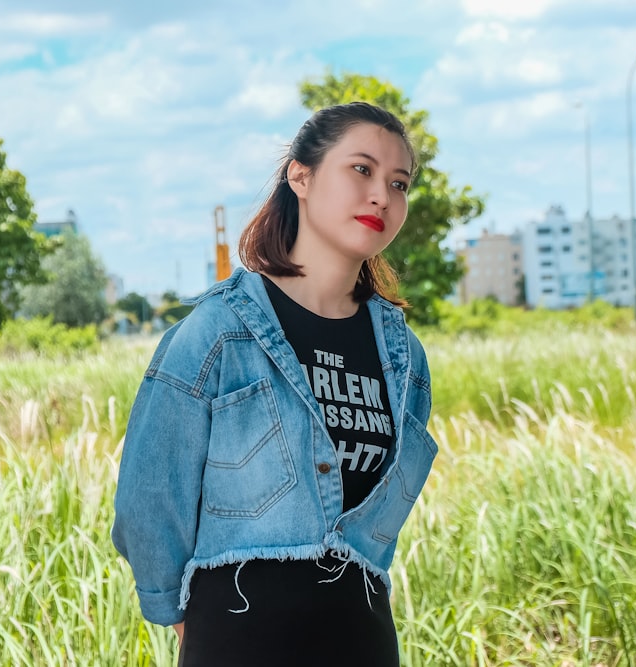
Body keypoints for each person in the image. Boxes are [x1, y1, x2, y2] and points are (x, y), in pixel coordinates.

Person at [111, 101, 438, 666]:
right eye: (361, 170)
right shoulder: (218, 332)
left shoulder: (404, 355)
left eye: (399, 183)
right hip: (240, 637)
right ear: (301, 176)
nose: (383, 195)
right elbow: (148, 497)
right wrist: (184, 618)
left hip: (361, 641)